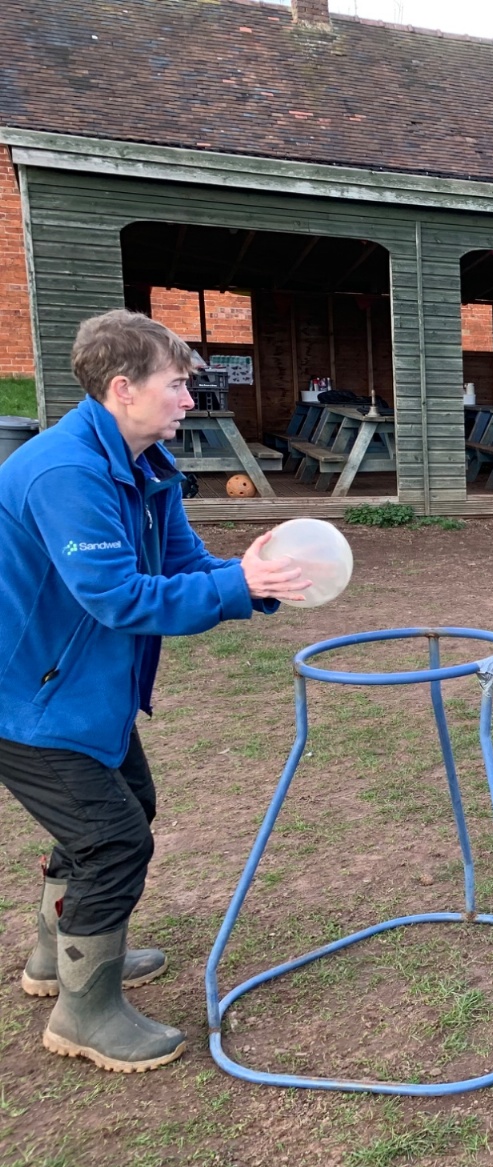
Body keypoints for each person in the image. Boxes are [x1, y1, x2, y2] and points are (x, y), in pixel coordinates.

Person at [0, 310, 304, 1074]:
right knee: (112, 839)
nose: (189, 400)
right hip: (23, 700)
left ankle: (57, 959)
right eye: (177, 385)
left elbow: (182, 565)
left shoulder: (146, 465)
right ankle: (85, 1014)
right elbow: (117, 597)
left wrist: (255, 578)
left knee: (125, 807)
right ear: (122, 389)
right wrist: (238, 586)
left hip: (75, 690)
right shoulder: (66, 472)